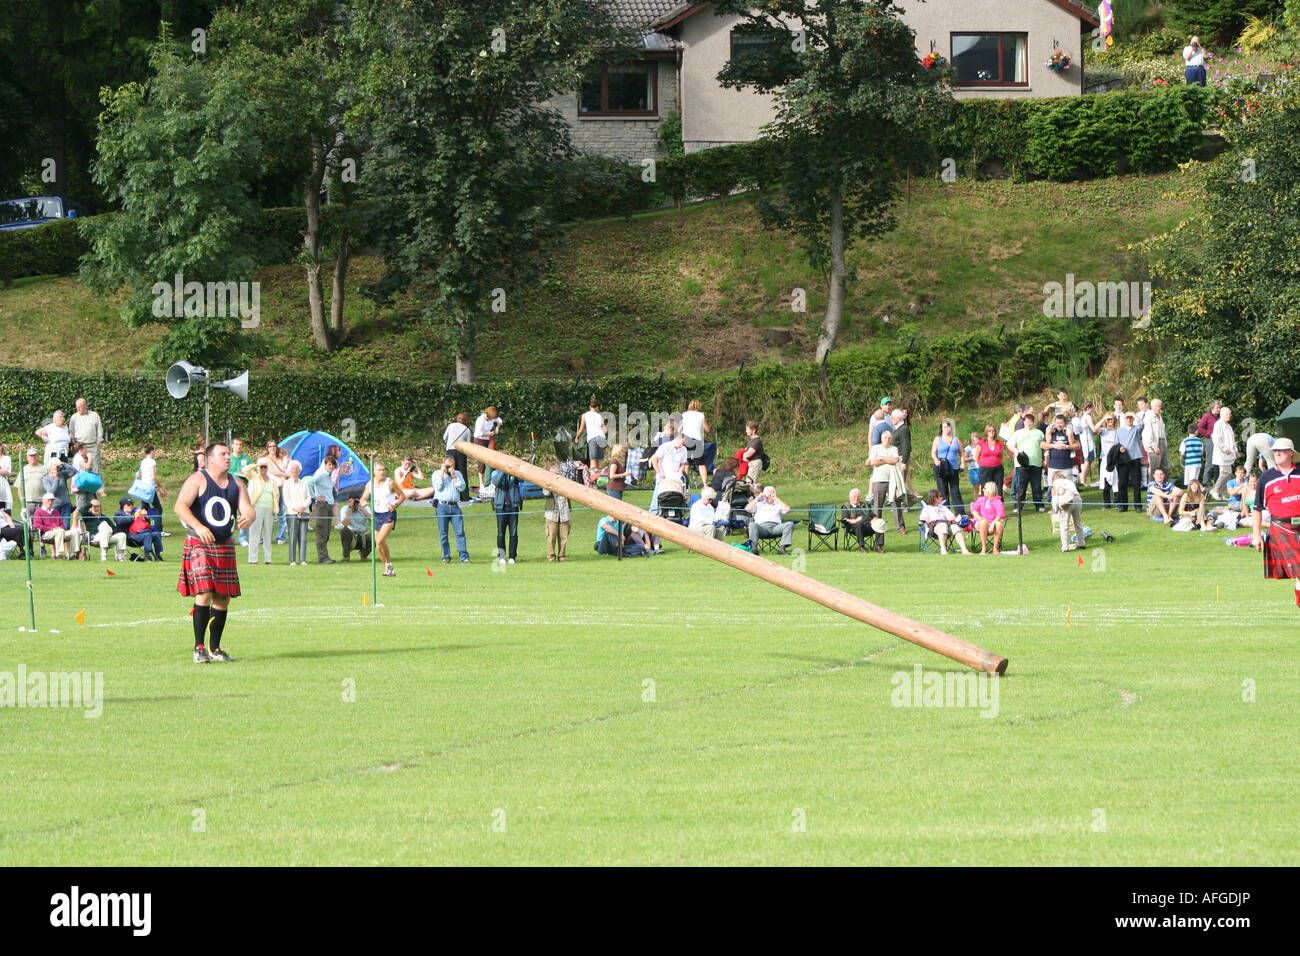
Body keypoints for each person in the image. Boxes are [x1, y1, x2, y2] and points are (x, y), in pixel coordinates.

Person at [175, 442, 255, 663]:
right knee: (205, 592)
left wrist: (249, 516)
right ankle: (199, 648)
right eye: (223, 454)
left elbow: (247, 507)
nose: (228, 457)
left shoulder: (237, 483)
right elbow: (180, 506)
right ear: (211, 459)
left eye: (229, 454)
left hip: (224, 544)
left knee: (223, 598)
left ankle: (215, 648)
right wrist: (198, 527)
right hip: (199, 542)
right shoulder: (198, 480)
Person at [1253, 438, 1300, 608]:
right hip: (1282, 528)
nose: (1277, 453)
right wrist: (1256, 535)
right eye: (1275, 451)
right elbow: (1257, 508)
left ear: (1290, 453)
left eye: (1281, 450)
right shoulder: (1266, 477)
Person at [362, 462, 405, 576]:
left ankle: (389, 565)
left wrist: (395, 505)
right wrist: (364, 502)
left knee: (380, 540)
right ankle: (388, 567)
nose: (382, 472)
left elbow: (402, 496)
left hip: (388, 514)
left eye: (384, 469)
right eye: (380, 470)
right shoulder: (370, 484)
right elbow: (363, 499)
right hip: (377, 515)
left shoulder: (390, 483)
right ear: (374, 472)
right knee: (378, 544)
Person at [433, 454, 470, 563]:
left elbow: (462, 487)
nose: (450, 468)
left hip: (455, 506)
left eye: (452, 465)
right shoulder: (436, 474)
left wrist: (454, 476)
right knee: (443, 533)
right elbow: (438, 487)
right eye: (448, 466)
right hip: (442, 506)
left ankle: (464, 557)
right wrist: (442, 473)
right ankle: (446, 556)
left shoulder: (458, 474)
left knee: (460, 533)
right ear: (443, 464)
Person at [868, 429, 907, 533]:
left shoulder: (894, 448)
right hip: (878, 480)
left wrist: (882, 458)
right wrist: (888, 460)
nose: (887, 440)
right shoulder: (875, 448)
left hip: (892, 480)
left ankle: (900, 527)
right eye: (885, 438)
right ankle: (877, 527)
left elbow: (895, 460)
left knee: (896, 503)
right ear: (881, 438)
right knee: (878, 505)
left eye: (889, 438)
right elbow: (873, 462)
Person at [242, 458, 280, 564]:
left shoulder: (272, 481)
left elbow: (276, 495)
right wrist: (256, 465)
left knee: (268, 535)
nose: (263, 469)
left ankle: (268, 559)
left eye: (265, 467)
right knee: (254, 534)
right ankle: (253, 559)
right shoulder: (253, 477)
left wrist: (275, 509)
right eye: (261, 467)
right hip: (256, 509)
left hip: (269, 509)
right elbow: (244, 470)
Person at [485, 463, 522, 565]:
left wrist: (513, 471)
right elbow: (496, 482)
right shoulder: (495, 473)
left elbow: (521, 479)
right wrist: (503, 470)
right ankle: (501, 556)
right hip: (500, 507)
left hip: (513, 506)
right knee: (501, 533)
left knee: (513, 533)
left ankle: (512, 556)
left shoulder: (513, 474)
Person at [1008, 415, 1046, 514]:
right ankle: (1018, 506)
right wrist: (1016, 451)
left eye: (1030, 422)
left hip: (1036, 463)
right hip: (1021, 464)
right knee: (1020, 487)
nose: (1028, 423)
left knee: (1036, 486)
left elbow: (1043, 446)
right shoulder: (1018, 433)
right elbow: (1010, 445)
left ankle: (1039, 505)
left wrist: (1044, 459)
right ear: (1024, 422)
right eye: (1027, 421)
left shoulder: (1039, 433)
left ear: (1033, 422)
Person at [919, 489, 971, 555]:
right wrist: (935, 521)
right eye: (940, 496)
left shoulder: (943, 507)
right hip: (934, 528)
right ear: (935, 498)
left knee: (955, 527)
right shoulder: (927, 508)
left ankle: (964, 550)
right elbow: (923, 518)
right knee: (942, 525)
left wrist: (959, 519)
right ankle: (943, 550)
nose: (942, 498)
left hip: (947, 525)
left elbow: (952, 517)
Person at [746, 485, 794, 554]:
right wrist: (758, 497)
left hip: (776, 527)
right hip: (762, 528)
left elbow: (787, 510)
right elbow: (748, 509)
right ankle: (754, 549)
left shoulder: (778, 505)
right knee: (752, 524)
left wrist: (777, 499)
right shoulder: (759, 504)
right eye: (768, 494)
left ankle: (782, 549)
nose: (769, 497)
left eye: (771, 494)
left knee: (790, 524)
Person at [1112, 412, 1145, 511]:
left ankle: (1138, 506)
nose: (1129, 420)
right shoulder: (1119, 431)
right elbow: (1115, 445)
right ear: (1124, 419)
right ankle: (1123, 505)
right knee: (1122, 483)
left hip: (1135, 458)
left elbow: (1142, 424)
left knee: (1136, 483)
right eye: (1127, 418)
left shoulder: (1136, 429)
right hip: (1123, 459)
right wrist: (1120, 449)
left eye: (1131, 418)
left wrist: (1133, 414)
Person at [282, 460, 312, 566]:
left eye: (297, 469)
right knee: (293, 537)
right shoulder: (286, 484)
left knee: (303, 537)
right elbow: (287, 500)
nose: (295, 470)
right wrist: (296, 508)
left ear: (299, 470)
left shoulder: (304, 483)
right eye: (293, 469)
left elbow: (309, 497)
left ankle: (303, 559)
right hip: (292, 513)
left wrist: (303, 507)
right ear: (290, 470)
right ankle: (292, 560)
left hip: (304, 512)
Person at [309, 456, 338, 564]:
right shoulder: (321, 473)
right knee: (321, 531)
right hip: (322, 506)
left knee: (326, 532)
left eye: (332, 465)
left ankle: (325, 556)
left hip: (329, 505)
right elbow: (308, 483)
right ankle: (322, 557)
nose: (331, 467)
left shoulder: (328, 475)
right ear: (325, 464)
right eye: (329, 464)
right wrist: (315, 496)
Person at [79, 497, 127, 561]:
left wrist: (111, 533)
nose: (96, 508)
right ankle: (103, 555)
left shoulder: (105, 517)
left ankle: (119, 556)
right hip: (94, 537)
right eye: (94, 506)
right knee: (104, 524)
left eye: (98, 506)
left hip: (108, 537)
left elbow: (114, 529)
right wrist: (90, 504)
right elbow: (81, 510)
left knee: (122, 535)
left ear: (100, 507)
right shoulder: (88, 516)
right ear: (91, 507)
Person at [135, 444, 168, 536]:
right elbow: (154, 477)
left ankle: (144, 527)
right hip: (150, 488)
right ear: (152, 451)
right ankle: (159, 530)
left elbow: (140, 475)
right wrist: (161, 487)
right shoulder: (152, 462)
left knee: (144, 509)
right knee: (158, 508)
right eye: (155, 451)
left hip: (143, 487)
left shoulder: (143, 461)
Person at [679, 399, 713, 487]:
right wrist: (708, 436)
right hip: (697, 440)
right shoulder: (701, 415)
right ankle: (705, 484)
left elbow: (679, 428)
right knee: (701, 464)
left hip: (685, 439)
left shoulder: (684, 414)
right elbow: (707, 429)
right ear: (699, 406)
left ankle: (685, 483)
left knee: (686, 463)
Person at [34, 493, 78, 558]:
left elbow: (62, 524)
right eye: (48, 500)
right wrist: (51, 528)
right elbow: (37, 525)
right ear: (43, 501)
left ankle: (72, 554)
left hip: (59, 531)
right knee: (59, 531)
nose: (50, 502)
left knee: (75, 531)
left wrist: (60, 528)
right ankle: (58, 554)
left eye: (52, 500)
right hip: (46, 533)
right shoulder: (38, 512)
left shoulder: (56, 512)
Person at [573, 398, 608, 479]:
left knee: (593, 460)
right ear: (597, 408)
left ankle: (593, 480)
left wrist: (577, 437)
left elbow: (581, 428)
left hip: (593, 437)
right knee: (599, 460)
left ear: (590, 407)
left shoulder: (585, 415)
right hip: (602, 437)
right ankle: (600, 480)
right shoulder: (600, 416)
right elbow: (605, 429)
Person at [442, 412, 474, 502]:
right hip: (461, 452)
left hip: (450, 451)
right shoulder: (467, 430)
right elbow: (468, 445)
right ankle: (464, 496)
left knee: (449, 472)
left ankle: (448, 493)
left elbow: (444, 437)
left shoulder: (451, 426)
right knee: (462, 473)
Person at [1049, 474, 1085, 552]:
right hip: (1077, 499)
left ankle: (1065, 547)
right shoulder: (1070, 482)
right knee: (1078, 523)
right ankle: (1082, 543)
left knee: (1064, 525)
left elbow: (1055, 497)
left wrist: (1054, 507)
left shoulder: (1055, 483)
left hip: (1066, 501)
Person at [1041, 413, 1080, 485]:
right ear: (1054, 423)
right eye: (1057, 423)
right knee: (1052, 488)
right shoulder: (1052, 432)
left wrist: (1067, 447)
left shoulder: (1069, 431)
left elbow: (1078, 445)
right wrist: (1053, 446)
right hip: (1053, 466)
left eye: (1061, 423)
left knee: (1068, 488)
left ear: (1065, 423)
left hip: (1066, 467)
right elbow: (1042, 445)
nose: (1059, 425)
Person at [69, 398, 105, 475]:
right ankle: (81, 485)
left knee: (96, 467)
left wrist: (98, 443)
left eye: (80, 407)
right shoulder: (74, 417)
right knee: (80, 468)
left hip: (92, 446)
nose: (78, 409)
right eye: (77, 407)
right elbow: (71, 432)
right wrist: (75, 444)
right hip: (80, 447)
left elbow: (99, 430)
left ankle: (98, 486)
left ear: (85, 406)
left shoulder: (94, 415)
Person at [542, 467, 571, 562]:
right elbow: (546, 493)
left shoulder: (565, 483)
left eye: (558, 473)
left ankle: (562, 556)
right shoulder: (546, 482)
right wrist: (551, 482)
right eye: (554, 473)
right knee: (551, 537)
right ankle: (551, 557)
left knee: (564, 538)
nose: (556, 475)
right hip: (551, 514)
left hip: (564, 514)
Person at [472, 405, 502, 494]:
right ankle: (481, 485)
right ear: (487, 415)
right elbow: (478, 433)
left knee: (490, 461)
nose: (492, 420)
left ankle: (490, 484)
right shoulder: (480, 420)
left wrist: (497, 427)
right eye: (491, 418)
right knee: (481, 463)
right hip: (479, 441)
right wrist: (488, 433)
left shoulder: (493, 418)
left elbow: (499, 420)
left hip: (487, 440)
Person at [41, 457, 77, 529]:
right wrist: (56, 479)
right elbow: (51, 493)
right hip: (54, 506)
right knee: (56, 527)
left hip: (66, 505)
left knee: (66, 526)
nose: (56, 469)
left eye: (57, 467)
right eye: (54, 467)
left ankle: (66, 540)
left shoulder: (62, 474)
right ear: (50, 467)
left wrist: (63, 464)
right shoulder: (46, 479)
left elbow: (74, 471)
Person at [971, 482, 1006, 555]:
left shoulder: (997, 501)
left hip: (992, 524)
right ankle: (984, 548)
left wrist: (993, 524)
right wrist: (979, 518)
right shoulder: (981, 499)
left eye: (984, 488)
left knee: (999, 524)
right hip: (980, 523)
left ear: (990, 490)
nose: (983, 490)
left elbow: (1000, 514)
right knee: (984, 522)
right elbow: (973, 510)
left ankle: (995, 548)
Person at [1210, 407, 1237, 500]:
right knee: (1226, 472)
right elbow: (1216, 439)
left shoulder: (1229, 426)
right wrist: (1225, 449)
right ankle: (1215, 490)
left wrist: (1236, 450)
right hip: (1222, 453)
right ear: (1222, 415)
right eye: (1227, 414)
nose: (1229, 416)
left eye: (1230, 414)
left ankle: (1221, 493)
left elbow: (1232, 440)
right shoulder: (1218, 424)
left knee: (1228, 473)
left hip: (1229, 454)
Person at [1143, 398, 1171, 478]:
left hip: (1162, 443)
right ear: (1152, 407)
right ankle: (1152, 488)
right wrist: (1154, 446)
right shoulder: (1148, 417)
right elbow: (1147, 434)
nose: (1158, 408)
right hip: (1154, 445)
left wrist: (1165, 444)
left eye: (1159, 406)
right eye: (1156, 406)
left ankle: (1163, 486)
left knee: (1167, 467)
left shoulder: (1160, 417)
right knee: (1154, 470)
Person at [339, 495, 373, 562]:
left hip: (363, 535)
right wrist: (351, 509)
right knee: (344, 530)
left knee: (375, 536)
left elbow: (372, 519)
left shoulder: (365, 508)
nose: (355, 504)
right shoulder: (344, 509)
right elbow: (344, 524)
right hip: (351, 535)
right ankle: (346, 556)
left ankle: (363, 554)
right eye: (353, 502)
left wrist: (362, 509)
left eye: (357, 501)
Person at [1198, 399, 1222, 490]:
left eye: (1219, 408)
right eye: (1217, 407)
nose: (1218, 409)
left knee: (1218, 462)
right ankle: (1206, 481)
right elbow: (1200, 427)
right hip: (1210, 440)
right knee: (1210, 461)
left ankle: (1217, 481)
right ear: (1212, 408)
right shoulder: (1207, 416)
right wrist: (1209, 434)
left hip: (1219, 441)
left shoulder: (1220, 417)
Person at [841, 487, 872, 553]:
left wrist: (875, 519)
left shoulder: (864, 505)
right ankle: (862, 547)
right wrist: (855, 521)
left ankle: (879, 546)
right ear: (850, 497)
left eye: (858, 496)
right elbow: (844, 519)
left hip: (868, 526)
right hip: (855, 527)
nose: (856, 498)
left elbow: (872, 515)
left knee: (880, 523)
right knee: (859, 524)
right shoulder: (846, 506)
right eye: (854, 496)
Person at [1074, 402, 1097, 488]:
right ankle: (1083, 480)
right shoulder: (1088, 417)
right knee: (1088, 461)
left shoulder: (1081, 417)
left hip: (1082, 441)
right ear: (1089, 408)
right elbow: (1094, 429)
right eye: (1092, 408)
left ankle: (1082, 480)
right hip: (1088, 441)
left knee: (1083, 461)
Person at [740, 421, 767, 489]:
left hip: (755, 464)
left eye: (748, 429)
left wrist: (744, 455)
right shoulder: (752, 440)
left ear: (754, 430)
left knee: (750, 483)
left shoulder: (756, 441)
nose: (746, 431)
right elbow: (745, 451)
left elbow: (748, 454)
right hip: (751, 464)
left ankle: (754, 497)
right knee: (749, 482)